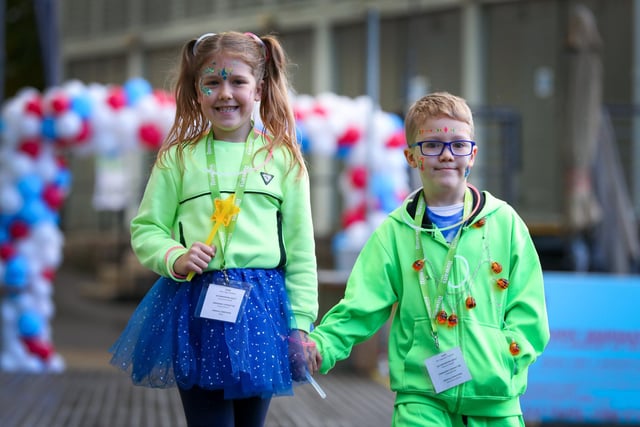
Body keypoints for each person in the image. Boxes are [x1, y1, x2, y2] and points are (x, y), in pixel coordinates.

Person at [110, 31, 319, 427]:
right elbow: (147, 228)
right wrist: (175, 255)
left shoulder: (284, 160)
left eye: (237, 81)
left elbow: (301, 252)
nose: (225, 93)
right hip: (197, 305)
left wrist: (301, 324)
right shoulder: (177, 159)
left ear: (258, 89)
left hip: (262, 310)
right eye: (213, 82)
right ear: (197, 91)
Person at [308, 92, 550, 426]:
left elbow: (529, 309)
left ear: (473, 154)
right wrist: (322, 345)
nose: (447, 155)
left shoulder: (505, 223)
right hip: (421, 399)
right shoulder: (393, 233)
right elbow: (360, 306)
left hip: (496, 401)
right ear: (411, 156)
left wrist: (503, 361)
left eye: (458, 145)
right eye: (432, 145)